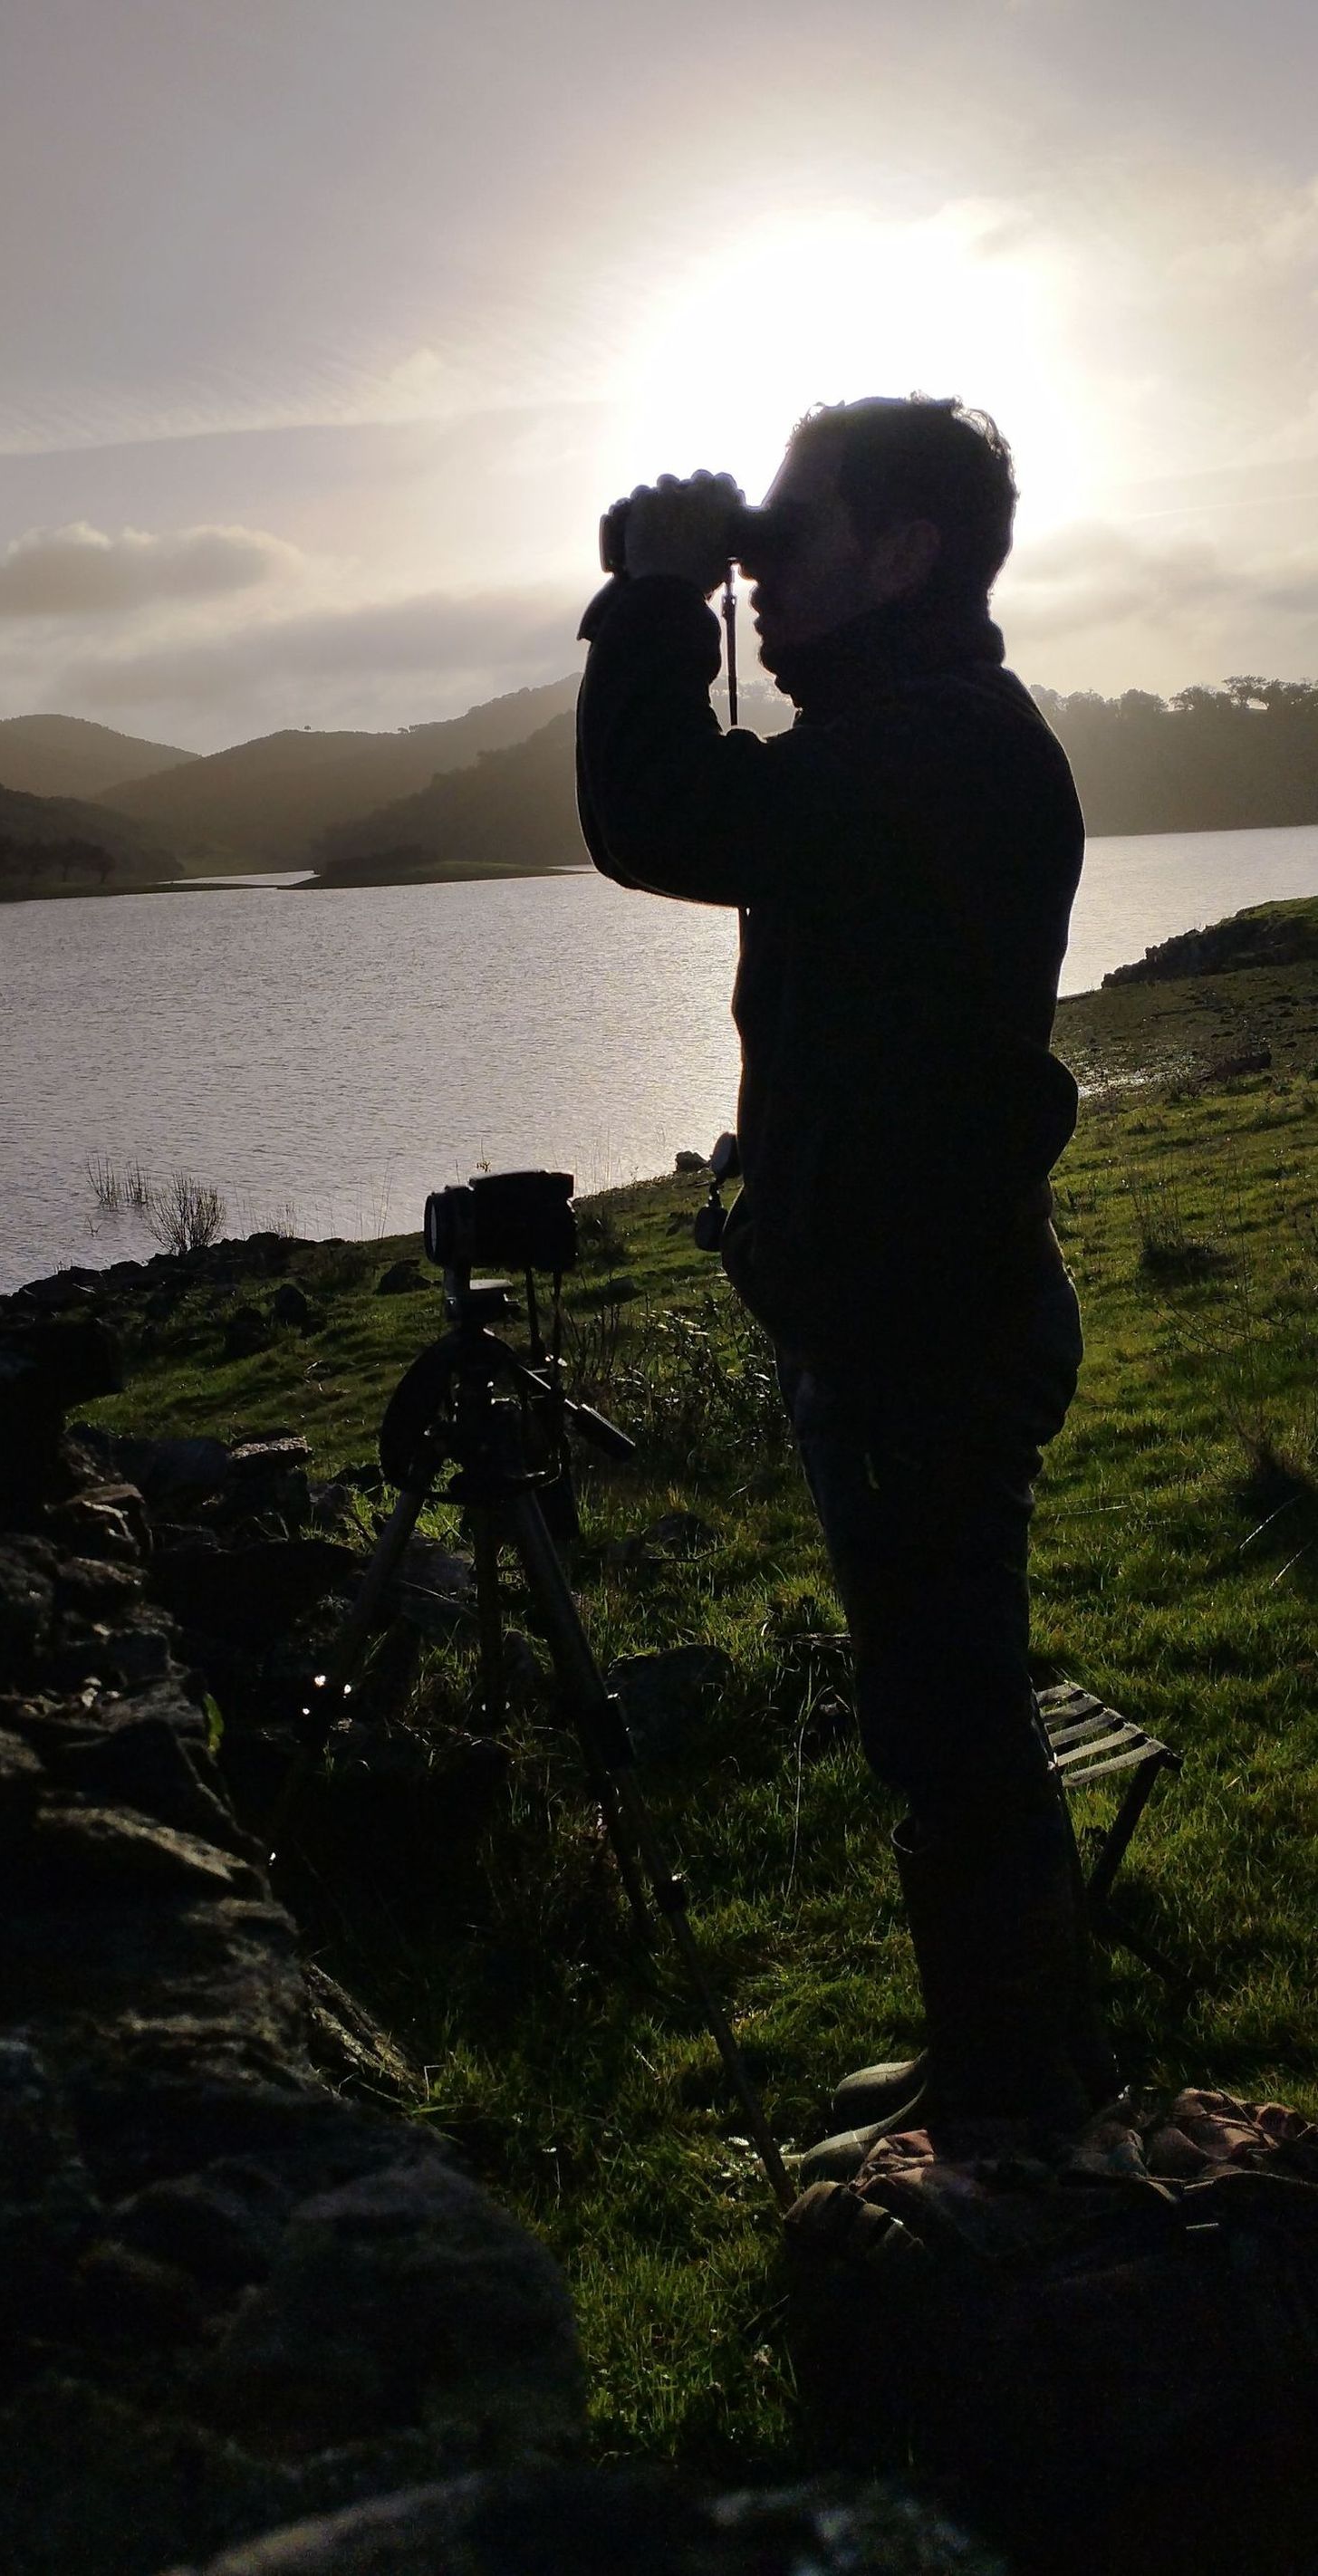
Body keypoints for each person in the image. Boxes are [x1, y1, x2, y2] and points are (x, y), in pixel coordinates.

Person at [575, 395, 1117, 2172]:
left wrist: (659, 603)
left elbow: (654, 811)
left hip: (923, 1331)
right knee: (938, 1717)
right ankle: (993, 2069)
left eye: (788, 534)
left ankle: (1012, 2109)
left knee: (950, 1729)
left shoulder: (936, 750)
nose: (763, 568)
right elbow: (726, 815)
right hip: (909, 1314)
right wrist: (695, 592)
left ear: (899, 552)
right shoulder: (901, 737)